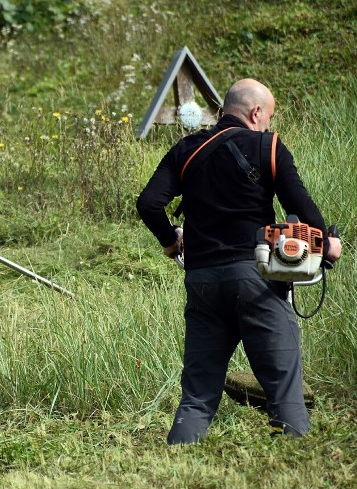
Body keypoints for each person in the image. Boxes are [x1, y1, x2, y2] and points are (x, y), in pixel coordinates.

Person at [136, 78, 342, 444]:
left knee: (197, 396)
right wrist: (328, 244)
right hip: (257, 279)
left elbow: (148, 203)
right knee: (284, 391)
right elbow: (302, 209)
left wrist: (171, 241)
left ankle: (177, 465)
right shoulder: (269, 146)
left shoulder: (185, 149)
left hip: (202, 281)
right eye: (269, 117)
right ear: (256, 112)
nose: (268, 124)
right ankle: (295, 466)